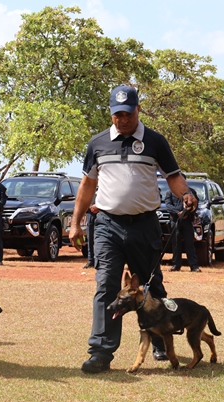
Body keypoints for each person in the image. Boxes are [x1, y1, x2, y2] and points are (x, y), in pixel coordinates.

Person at [69, 85, 198, 374]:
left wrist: (186, 194)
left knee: (153, 286)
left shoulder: (155, 141)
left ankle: (159, 339)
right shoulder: (97, 143)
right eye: (118, 115)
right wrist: (75, 223)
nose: (123, 119)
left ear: (138, 110)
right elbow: (87, 185)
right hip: (107, 225)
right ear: (111, 113)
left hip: (144, 224)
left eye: (128, 113)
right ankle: (101, 352)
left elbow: (173, 176)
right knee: (106, 286)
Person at [165, 188, 201, 272]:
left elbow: (195, 205)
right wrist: (178, 213)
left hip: (187, 221)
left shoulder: (191, 192)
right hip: (175, 221)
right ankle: (176, 265)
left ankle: (194, 266)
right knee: (176, 244)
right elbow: (168, 206)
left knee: (189, 243)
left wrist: (186, 213)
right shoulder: (169, 192)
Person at [83, 200, 98, 269]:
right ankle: (91, 260)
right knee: (90, 238)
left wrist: (98, 206)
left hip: (103, 214)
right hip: (90, 214)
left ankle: (100, 261)